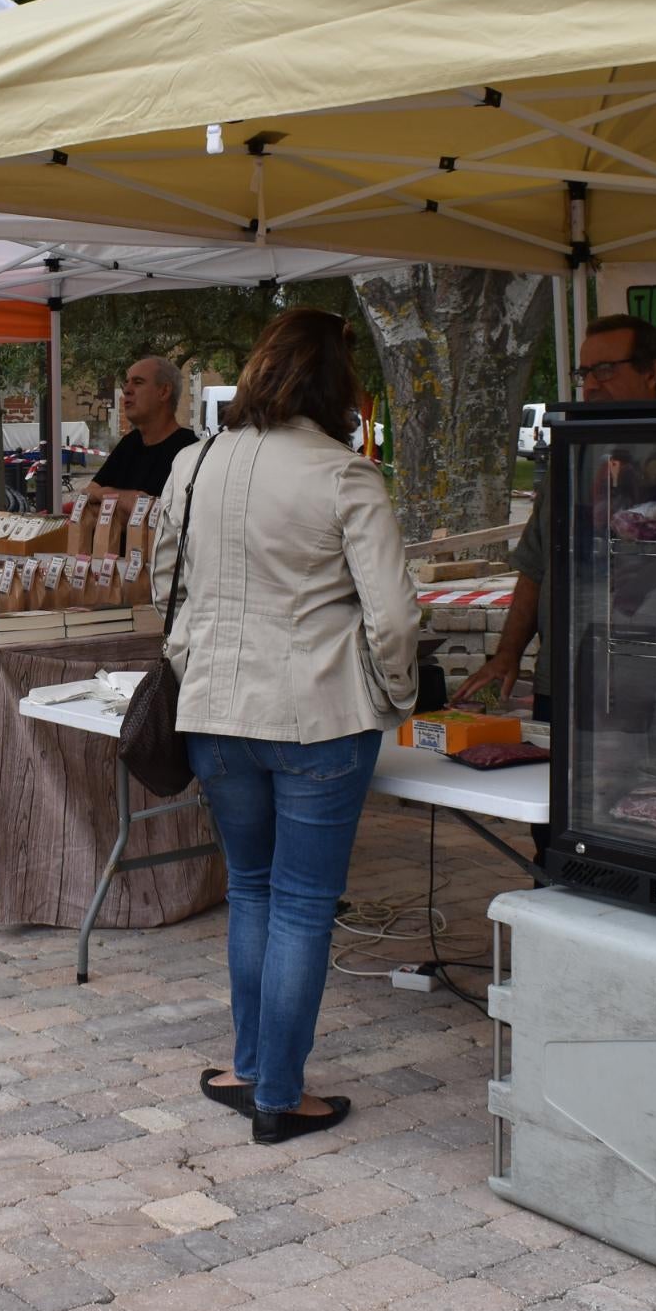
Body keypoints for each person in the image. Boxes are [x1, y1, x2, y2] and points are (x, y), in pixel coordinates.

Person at [150, 309, 421, 1145]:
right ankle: (279, 1093)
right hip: (319, 713)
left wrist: (194, 657)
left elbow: (166, 579)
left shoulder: (193, 465)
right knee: (302, 905)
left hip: (215, 710)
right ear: (337, 384)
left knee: (254, 894)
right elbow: (396, 618)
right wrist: (399, 697)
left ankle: (249, 1068)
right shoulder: (346, 477)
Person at [454, 314, 656, 715]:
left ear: (652, 372)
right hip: (565, 677)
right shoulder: (573, 455)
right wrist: (506, 655)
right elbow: (536, 566)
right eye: (584, 372)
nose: (591, 385)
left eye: (606, 370)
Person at [93, 355, 195, 498]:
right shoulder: (129, 443)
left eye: (138, 382)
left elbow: (168, 516)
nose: (126, 390)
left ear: (164, 391)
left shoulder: (189, 451)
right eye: (126, 383)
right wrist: (128, 499)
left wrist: (109, 496)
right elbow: (87, 497)